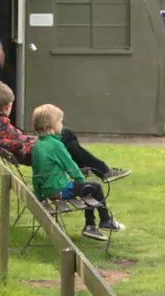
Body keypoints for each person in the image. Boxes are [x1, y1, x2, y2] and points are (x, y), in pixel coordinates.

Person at [0, 82, 131, 183]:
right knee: (67, 134)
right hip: (37, 152)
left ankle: (92, 169)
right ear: (7, 106)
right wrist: (18, 145)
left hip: (34, 149)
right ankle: (102, 171)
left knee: (71, 143)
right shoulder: (2, 121)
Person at [29, 103, 123, 241]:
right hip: (60, 190)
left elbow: (35, 173)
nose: (62, 124)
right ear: (50, 127)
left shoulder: (37, 146)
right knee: (93, 188)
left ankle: (92, 225)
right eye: (60, 121)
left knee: (86, 187)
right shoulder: (56, 145)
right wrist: (82, 181)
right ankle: (103, 221)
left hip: (47, 191)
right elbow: (71, 167)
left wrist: (39, 195)